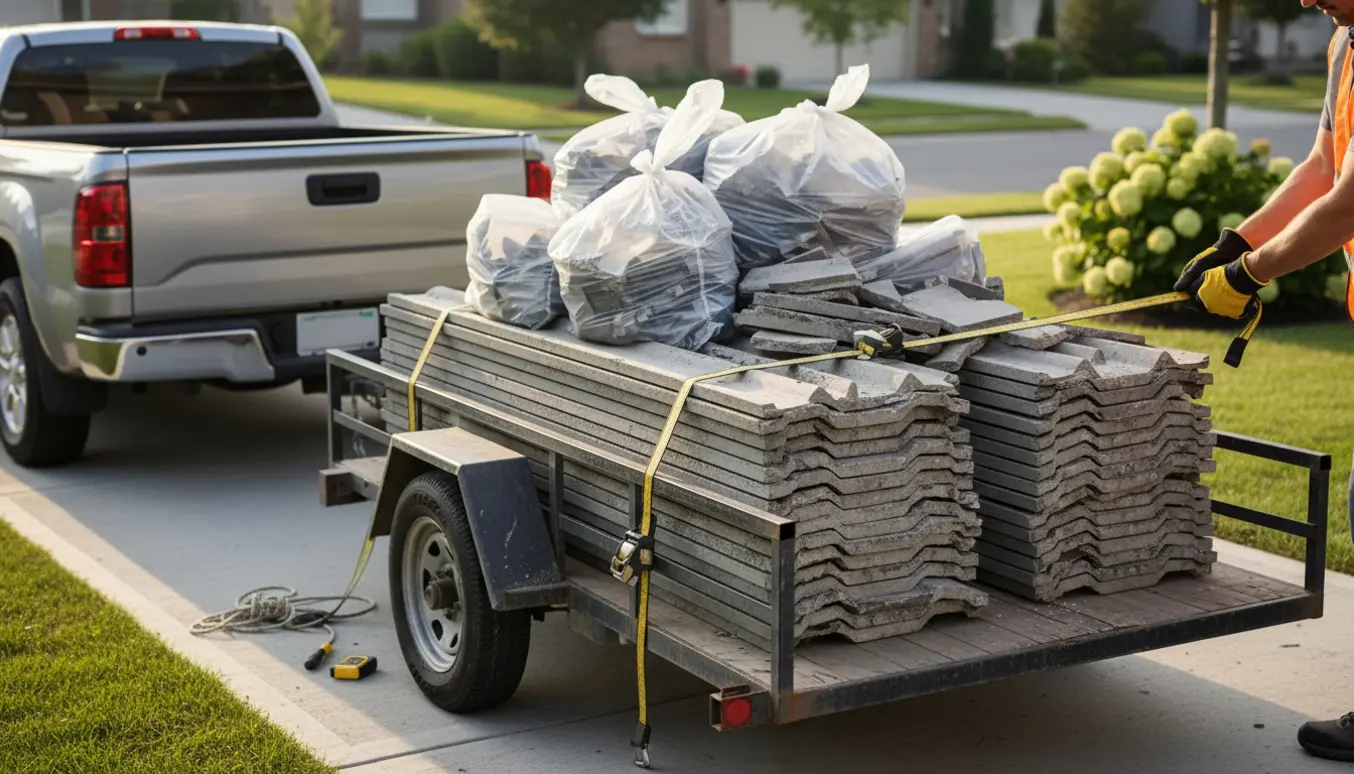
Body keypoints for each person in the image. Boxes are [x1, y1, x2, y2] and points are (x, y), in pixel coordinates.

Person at [1173, 0, 1354, 762]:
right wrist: (1236, 240)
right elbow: (1322, 166)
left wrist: (1254, 271)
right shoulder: (1346, 42)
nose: (1307, 0)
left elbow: (1351, 198)